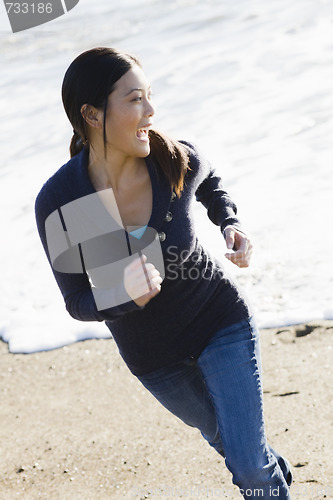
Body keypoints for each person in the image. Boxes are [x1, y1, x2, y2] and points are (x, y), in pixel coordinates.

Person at [35, 47, 293, 499]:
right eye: (135, 99)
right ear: (92, 114)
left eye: (149, 96)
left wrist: (230, 223)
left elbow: (210, 180)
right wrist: (123, 293)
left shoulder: (167, 159)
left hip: (219, 320)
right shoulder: (64, 199)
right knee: (238, 450)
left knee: (249, 467)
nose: (151, 111)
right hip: (154, 359)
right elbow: (76, 300)